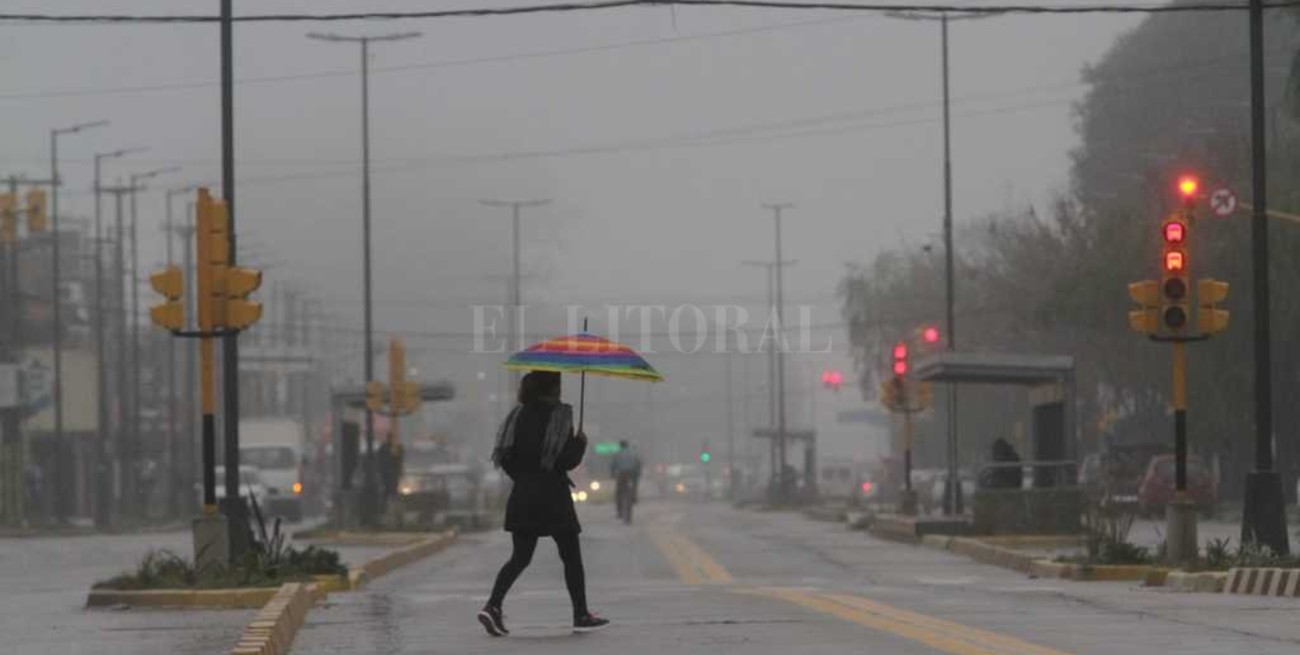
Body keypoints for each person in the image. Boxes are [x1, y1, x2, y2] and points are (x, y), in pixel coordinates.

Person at [478, 371, 609, 637]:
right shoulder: (560, 416)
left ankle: (492, 605)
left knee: (520, 557)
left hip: (524, 494)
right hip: (553, 496)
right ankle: (581, 614)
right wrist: (579, 444)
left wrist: (526, 479)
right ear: (550, 388)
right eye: (558, 385)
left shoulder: (516, 416)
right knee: (571, 556)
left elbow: (505, 457)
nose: (561, 389)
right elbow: (565, 461)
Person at [609, 440, 642, 524]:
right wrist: (638, 474)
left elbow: (613, 465)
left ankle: (619, 512)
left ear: (620, 446)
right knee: (633, 487)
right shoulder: (633, 453)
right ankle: (634, 497)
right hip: (632, 474)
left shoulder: (618, 454)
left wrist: (612, 474)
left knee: (619, 492)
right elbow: (638, 463)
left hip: (622, 474)